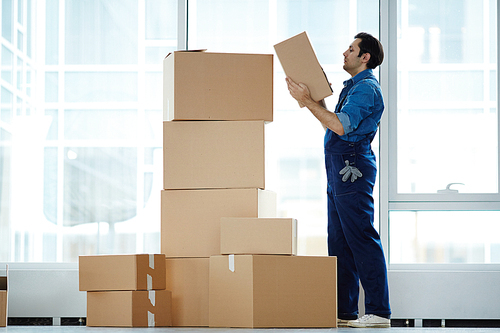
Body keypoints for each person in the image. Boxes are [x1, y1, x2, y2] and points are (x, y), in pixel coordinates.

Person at [286, 32, 391, 328]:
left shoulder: (366, 89)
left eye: (351, 48)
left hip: (351, 169)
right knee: (340, 241)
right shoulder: (352, 88)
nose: (345, 52)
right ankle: (345, 312)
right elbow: (333, 124)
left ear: (365, 57)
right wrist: (314, 99)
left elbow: (341, 127)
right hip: (339, 169)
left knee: (360, 238)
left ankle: (379, 311)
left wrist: (308, 101)